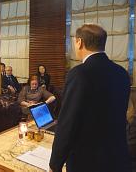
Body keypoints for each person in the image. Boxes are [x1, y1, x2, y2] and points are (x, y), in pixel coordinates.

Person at [49, 24, 132, 172]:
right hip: (117, 156)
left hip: (87, 160)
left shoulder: (79, 74)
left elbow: (68, 123)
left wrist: (55, 164)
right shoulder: (122, 74)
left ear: (79, 42)